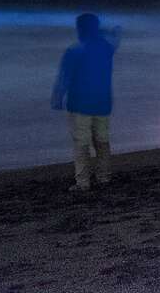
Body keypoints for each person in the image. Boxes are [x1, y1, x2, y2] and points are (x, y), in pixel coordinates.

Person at [51, 13, 121, 192]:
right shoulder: (106, 48)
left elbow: (64, 78)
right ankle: (104, 177)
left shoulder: (74, 50)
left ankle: (83, 182)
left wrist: (57, 97)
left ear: (80, 29)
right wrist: (100, 31)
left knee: (81, 143)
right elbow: (116, 33)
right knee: (102, 141)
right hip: (102, 102)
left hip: (79, 103)